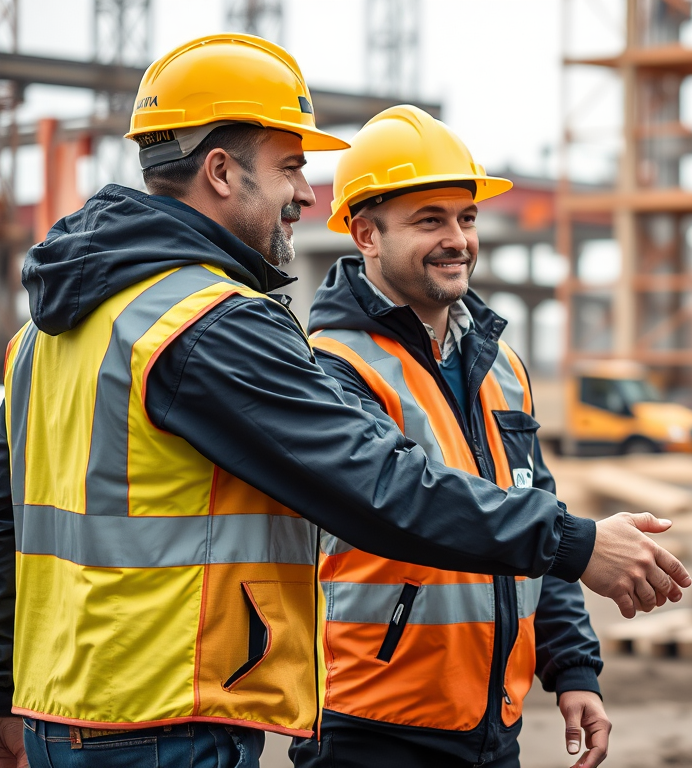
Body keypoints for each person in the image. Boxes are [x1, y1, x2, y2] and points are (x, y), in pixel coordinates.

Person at [0, 34, 688, 768]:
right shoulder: (209, 323)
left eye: (464, 217)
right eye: (290, 167)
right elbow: (375, 486)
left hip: (68, 713)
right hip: (169, 718)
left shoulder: (49, 333)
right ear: (219, 171)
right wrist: (577, 543)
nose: (306, 192)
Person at [286, 106, 607, 768]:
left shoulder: (501, 365)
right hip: (370, 725)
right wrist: (587, 545)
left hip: (491, 724)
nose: (457, 238)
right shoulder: (330, 369)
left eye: (466, 218)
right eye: (430, 220)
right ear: (366, 233)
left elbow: (532, 509)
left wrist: (573, 667)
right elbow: (399, 502)